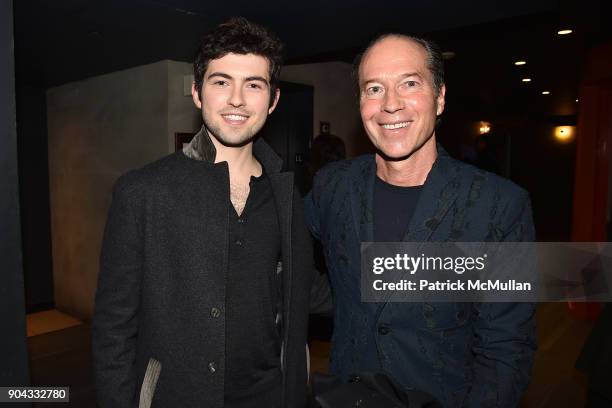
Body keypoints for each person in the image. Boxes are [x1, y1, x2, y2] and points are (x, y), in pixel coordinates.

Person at [93, 17, 321, 408]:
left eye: (253, 84)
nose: (237, 99)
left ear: (273, 99)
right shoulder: (143, 192)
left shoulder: (285, 194)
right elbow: (113, 330)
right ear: (197, 93)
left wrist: (396, 281)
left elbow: (306, 288)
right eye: (221, 82)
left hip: (270, 396)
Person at [305, 34, 537, 407]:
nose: (391, 105)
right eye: (374, 88)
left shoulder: (500, 206)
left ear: (440, 97)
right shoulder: (333, 185)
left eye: (409, 84)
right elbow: (283, 245)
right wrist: (338, 298)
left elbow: (507, 349)